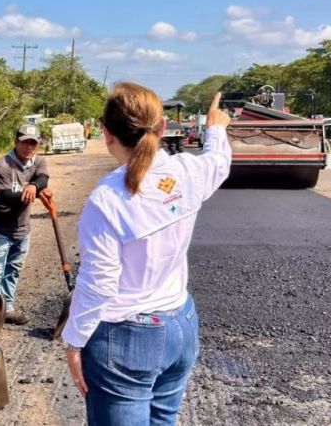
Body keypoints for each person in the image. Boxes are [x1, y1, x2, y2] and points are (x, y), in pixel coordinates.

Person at [61, 83, 232, 425]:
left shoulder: (106, 200)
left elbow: (99, 283)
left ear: (107, 134)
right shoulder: (187, 172)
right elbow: (218, 163)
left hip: (126, 336)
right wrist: (215, 128)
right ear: (163, 127)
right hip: (180, 323)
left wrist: (74, 341)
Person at [0, 123, 52, 325]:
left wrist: (35, 185)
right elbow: (5, 196)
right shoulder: (2, 166)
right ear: (16, 142)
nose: (29, 148)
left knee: (13, 269)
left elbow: (43, 178)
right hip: (0, 227)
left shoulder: (38, 161)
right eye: (25, 143)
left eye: (33, 144)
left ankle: (8, 308)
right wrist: (34, 191)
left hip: (23, 229)